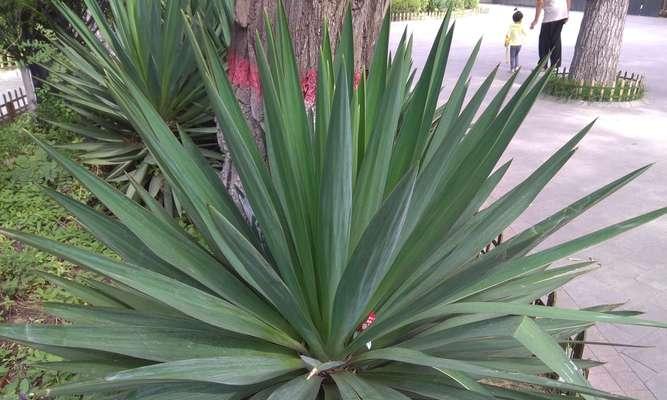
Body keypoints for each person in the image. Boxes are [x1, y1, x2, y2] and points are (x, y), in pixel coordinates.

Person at [531, 0, 570, 68]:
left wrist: (536, 20)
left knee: (544, 41)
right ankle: (555, 66)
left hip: (552, 13)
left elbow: (539, 2)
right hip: (562, 12)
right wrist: (567, 13)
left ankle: (543, 65)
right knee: (556, 39)